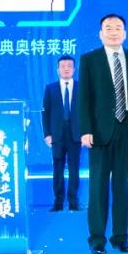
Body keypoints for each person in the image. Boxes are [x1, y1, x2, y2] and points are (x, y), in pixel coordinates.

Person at [78, 14, 128, 254]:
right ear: (100, 34)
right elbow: (84, 97)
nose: (113, 31)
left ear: (124, 33)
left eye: (118, 28)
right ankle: (97, 238)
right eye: (108, 28)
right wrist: (85, 129)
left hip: (127, 129)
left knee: (121, 186)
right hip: (98, 132)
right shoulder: (89, 59)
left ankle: (120, 237)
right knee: (98, 186)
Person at [42, 55, 82, 212]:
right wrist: (47, 134)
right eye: (63, 66)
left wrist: (86, 133)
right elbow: (46, 113)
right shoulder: (50, 88)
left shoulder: (81, 87)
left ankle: (73, 202)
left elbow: (86, 112)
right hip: (57, 135)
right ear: (58, 69)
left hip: (76, 135)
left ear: (74, 69)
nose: (66, 69)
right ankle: (58, 202)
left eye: (69, 66)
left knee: (74, 169)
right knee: (57, 169)